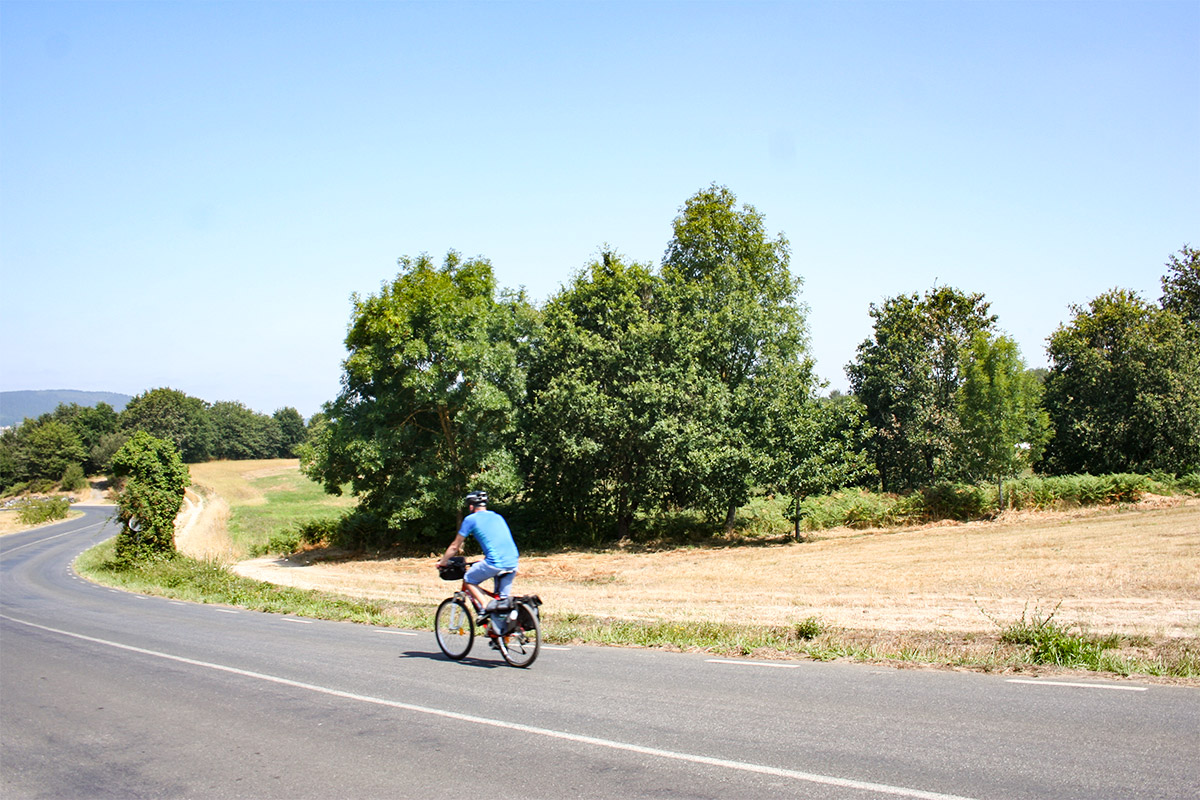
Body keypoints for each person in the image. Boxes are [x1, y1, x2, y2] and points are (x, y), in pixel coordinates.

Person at [437, 490, 519, 634]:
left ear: (470, 506)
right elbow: (498, 541)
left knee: (469, 579)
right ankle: (502, 634)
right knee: (502, 601)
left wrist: (443, 562)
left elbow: (455, 546)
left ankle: (484, 608)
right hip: (512, 561)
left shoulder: (471, 519)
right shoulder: (497, 517)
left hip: (495, 562)